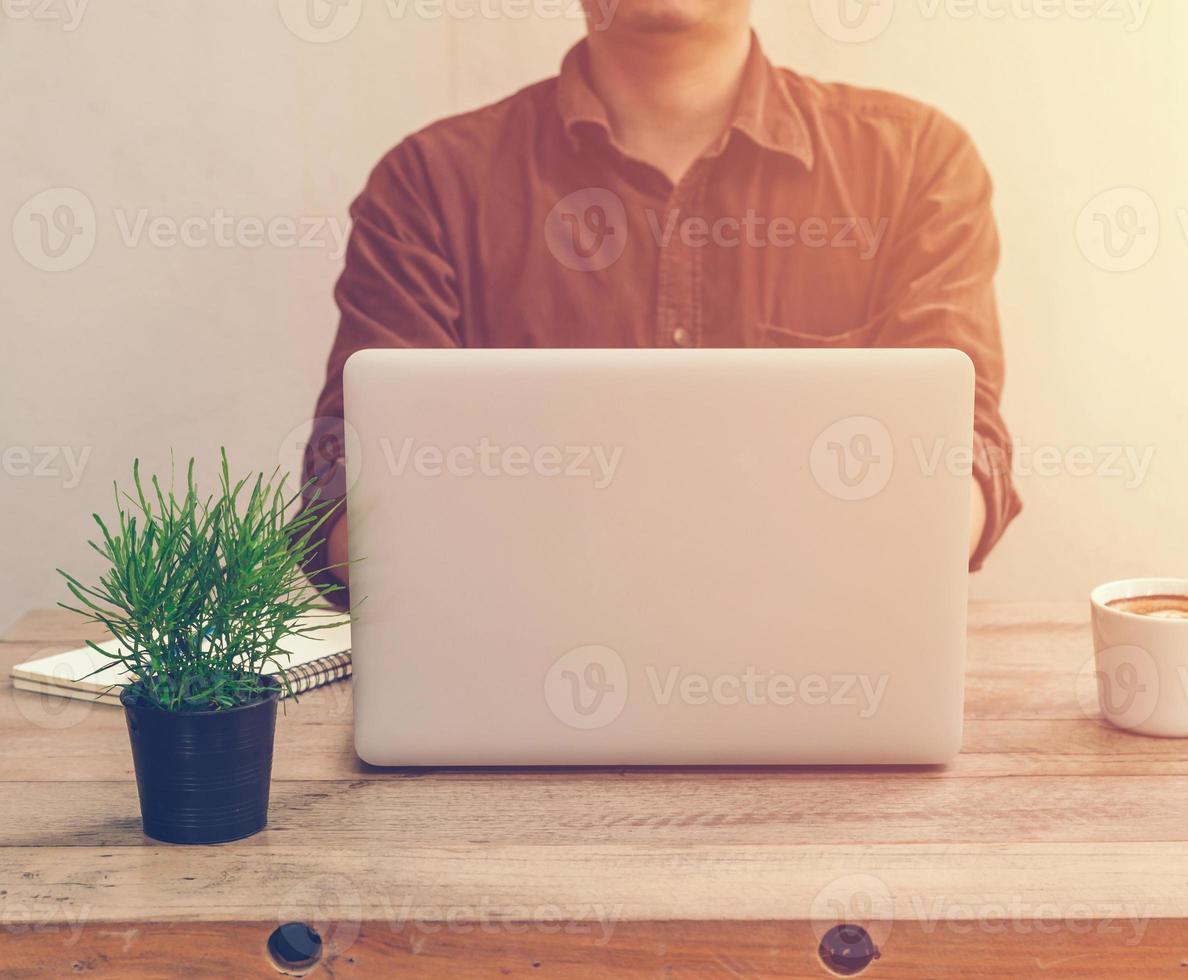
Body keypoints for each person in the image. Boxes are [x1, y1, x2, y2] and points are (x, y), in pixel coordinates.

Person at [297, 0, 1021, 600]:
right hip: (512, 705)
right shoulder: (428, 188)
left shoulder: (916, 164)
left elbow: (961, 463)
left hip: (831, 696)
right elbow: (345, 504)